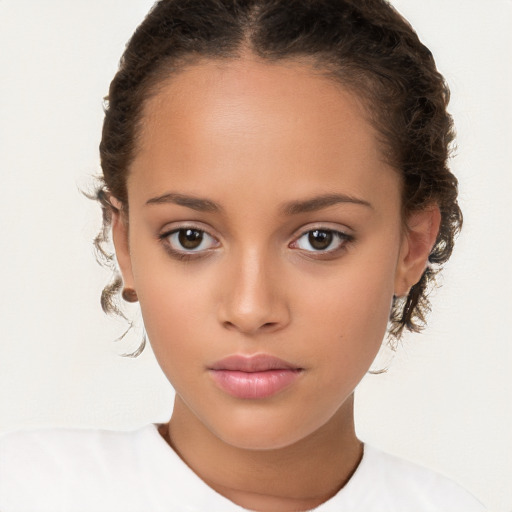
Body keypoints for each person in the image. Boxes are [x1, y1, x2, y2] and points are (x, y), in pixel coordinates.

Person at [0, 0, 487, 510]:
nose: (251, 309)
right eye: (190, 237)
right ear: (125, 244)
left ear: (412, 245)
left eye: (321, 238)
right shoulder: (26, 490)